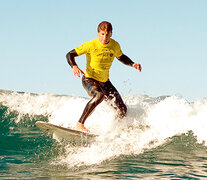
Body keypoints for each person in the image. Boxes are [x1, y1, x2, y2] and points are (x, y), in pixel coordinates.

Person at [66, 21, 142, 132]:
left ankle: (114, 130)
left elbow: (121, 57)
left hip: (105, 82)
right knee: (99, 95)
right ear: (98, 33)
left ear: (111, 33)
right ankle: (80, 124)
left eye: (107, 34)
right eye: (102, 34)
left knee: (122, 109)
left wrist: (132, 64)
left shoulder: (114, 45)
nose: (104, 37)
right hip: (89, 79)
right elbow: (70, 54)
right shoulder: (90, 45)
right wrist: (74, 66)